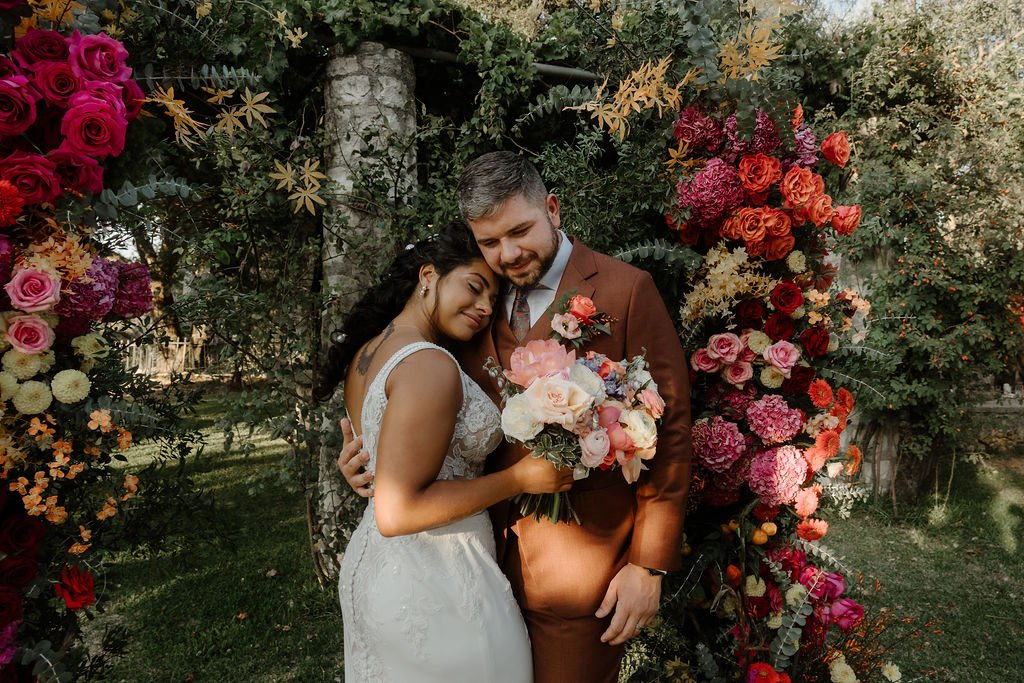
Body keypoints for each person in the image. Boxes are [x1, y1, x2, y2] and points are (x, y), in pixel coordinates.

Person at [339, 152, 693, 683]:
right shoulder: (471, 304)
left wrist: (648, 565)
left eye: (520, 231)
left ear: (552, 208)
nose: (507, 254)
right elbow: (416, 405)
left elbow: (668, 435)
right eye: (488, 243)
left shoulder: (625, 290)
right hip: (470, 569)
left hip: (580, 579)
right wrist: (367, 458)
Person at [320, 222, 574, 682]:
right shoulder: (429, 365)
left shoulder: (370, 351)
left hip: (379, 569)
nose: (482, 308)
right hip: (436, 581)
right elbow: (398, 512)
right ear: (429, 275)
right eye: (474, 287)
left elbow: (387, 465)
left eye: (492, 300)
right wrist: (520, 479)